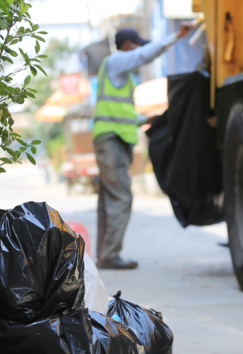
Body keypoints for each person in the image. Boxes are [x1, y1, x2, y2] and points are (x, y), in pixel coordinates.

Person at [93, 24, 190, 270]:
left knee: (109, 200)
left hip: (112, 139)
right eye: (137, 46)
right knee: (121, 197)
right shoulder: (117, 61)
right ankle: (109, 255)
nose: (139, 51)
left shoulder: (120, 74)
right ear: (129, 46)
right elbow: (145, 55)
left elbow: (121, 114)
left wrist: (146, 119)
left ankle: (104, 254)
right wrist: (176, 36)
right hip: (112, 140)